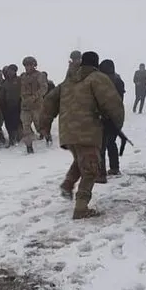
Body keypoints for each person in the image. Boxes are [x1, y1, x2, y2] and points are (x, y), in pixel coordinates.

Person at [40, 51, 124, 220]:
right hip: (88, 130)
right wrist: (116, 124)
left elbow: (49, 101)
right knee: (91, 169)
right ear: (96, 64)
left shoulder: (67, 82)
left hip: (68, 131)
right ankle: (81, 208)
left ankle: (67, 184)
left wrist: (44, 125)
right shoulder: (97, 78)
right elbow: (112, 102)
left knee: (82, 161)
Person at [98, 59, 126, 179]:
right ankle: (114, 168)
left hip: (105, 117)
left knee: (101, 145)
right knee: (111, 142)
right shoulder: (118, 80)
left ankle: (100, 173)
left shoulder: (103, 82)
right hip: (118, 116)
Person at [20, 56, 48, 153]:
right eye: (26, 65)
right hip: (25, 107)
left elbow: (44, 88)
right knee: (26, 127)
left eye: (30, 65)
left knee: (39, 126)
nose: (28, 67)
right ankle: (29, 147)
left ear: (34, 65)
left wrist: (34, 97)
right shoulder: (23, 77)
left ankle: (47, 136)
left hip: (37, 105)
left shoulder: (39, 75)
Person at [0, 64, 22, 147]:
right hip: (7, 106)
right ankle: (12, 138)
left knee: (16, 123)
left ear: (15, 71)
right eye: (8, 71)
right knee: (8, 124)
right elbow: (1, 94)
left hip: (18, 105)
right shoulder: (5, 82)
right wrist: (0, 102)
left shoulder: (19, 80)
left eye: (11, 71)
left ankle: (16, 138)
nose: (9, 72)